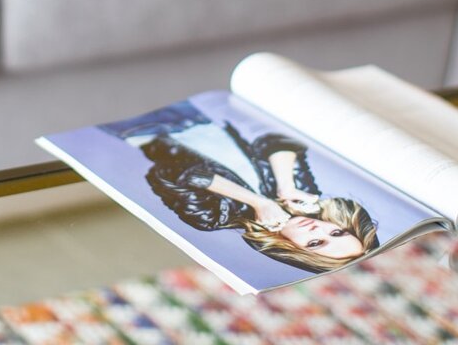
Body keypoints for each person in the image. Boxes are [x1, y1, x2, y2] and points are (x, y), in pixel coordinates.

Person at [99, 101, 379, 273]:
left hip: (145, 130)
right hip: (198, 117)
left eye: (316, 243)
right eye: (337, 231)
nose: (318, 229)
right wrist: (287, 187)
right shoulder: (296, 196)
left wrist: (260, 203)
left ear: (291, 249)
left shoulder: (214, 219)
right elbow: (278, 143)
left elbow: (171, 173)